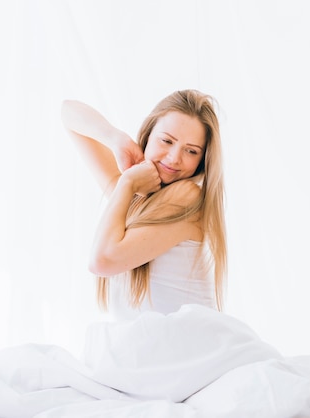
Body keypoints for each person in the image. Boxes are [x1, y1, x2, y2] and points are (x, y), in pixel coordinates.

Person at [60, 89, 227, 320]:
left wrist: (127, 182)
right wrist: (116, 139)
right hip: (156, 347)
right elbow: (68, 112)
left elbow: (102, 261)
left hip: (188, 348)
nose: (174, 158)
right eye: (166, 140)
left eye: (191, 151)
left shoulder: (188, 196)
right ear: (148, 135)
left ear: (202, 161)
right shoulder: (138, 196)